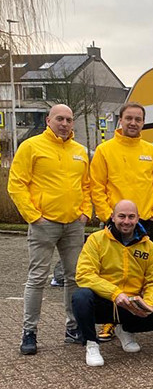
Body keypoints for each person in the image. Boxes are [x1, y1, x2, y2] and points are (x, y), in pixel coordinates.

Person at [8, 104, 91, 355]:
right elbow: (16, 184)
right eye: (59, 119)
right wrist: (34, 216)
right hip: (44, 224)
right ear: (48, 120)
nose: (64, 124)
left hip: (74, 224)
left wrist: (85, 213)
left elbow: (86, 185)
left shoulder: (80, 151)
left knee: (75, 278)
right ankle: (29, 332)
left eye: (69, 119)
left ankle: (73, 328)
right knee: (37, 278)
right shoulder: (31, 146)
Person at [90, 103, 153, 342]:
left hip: (145, 222)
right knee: (110, 273)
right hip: (116, 222)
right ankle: (108, 322)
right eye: (129, 118)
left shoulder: (151, 151)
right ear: (120, 120)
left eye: (138, 119)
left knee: (144, 274)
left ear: (143, 122)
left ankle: (135, 318)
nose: (133, 123)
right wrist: (106, 215)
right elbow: (97, 186)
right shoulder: (105, 150)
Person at [72, 200, 153, 367]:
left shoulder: (149, 246)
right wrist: (115, 293)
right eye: (121, 216)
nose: (126, 221)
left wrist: (148, 304)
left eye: (131, 217)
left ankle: (125, 330)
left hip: (132, 304)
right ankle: (91, 343)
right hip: (104, 301)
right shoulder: (96, 240)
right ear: (112, 217)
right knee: (80, 296)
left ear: (138, 218)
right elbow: (84, 274)